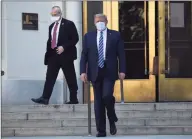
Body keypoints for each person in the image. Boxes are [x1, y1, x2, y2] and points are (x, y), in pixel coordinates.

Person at [80, 14, 126, 137]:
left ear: (106, 21)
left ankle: (111, 117)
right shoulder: (88, 36)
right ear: (94, 22)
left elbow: (121, 54)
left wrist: (122, 70)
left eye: (101, 20)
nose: (99, 22)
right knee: (98, 103)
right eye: (97, 21)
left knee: (106, 96)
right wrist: (82, 72)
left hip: (109, 71)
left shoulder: (115, 35)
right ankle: (101, 131)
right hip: (94, 72)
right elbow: (84, 55)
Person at [32, 6, 79, 105]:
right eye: (52, 14)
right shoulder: (51, 26)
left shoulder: (69, 24)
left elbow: (75, 38)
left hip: (66, 55)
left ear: (60, 14)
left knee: (70, 77)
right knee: (50, 77)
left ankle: (74, 99)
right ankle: (45, 98)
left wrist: (64, 47)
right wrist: (48, 55)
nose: (53, 16)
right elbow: (51, 40)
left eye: (55, 14)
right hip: (53, 55)